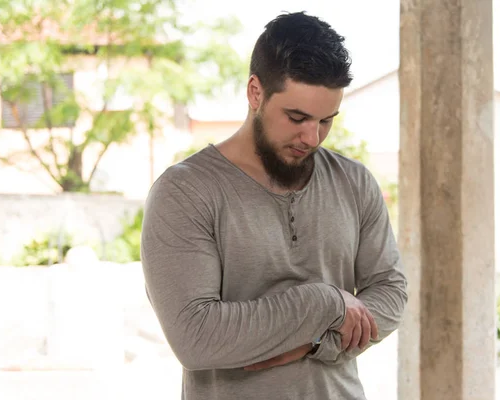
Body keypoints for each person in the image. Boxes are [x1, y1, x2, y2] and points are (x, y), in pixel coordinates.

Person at [140, 11, 407, 400]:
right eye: (297, 117)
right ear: (255, 92)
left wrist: (318, 344)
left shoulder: (354, 181)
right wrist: (326, 303)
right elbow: (196, 337)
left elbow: (391, 292)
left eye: (326, 120)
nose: (312, 137)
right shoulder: (185, 192)